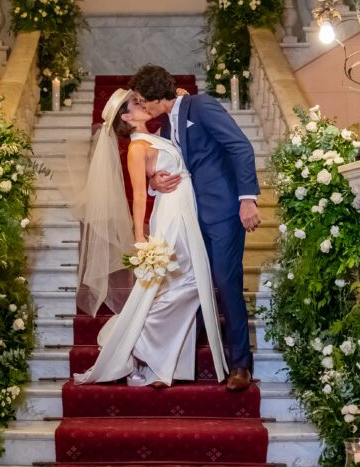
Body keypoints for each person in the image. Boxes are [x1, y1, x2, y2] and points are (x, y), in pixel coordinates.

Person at [73, 88, 227, 388]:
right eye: (134, 103)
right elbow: (139, 195)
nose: (141, 103)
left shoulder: (158, 134)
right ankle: (138, 344)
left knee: (181, 284)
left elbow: (169, 165)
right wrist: (140, 236)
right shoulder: (135, 148)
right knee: (191, 281)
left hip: (186, 209)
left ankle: (158, 363)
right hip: (172, 217)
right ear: (127, 118)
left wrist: (179, 94)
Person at [130, 65, 260, 392]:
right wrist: (154, 181)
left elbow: (240, 147)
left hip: (222, 212)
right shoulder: (165, 126)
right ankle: (172, 360)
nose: (142, 106)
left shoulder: (200, 107)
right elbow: (169, 166)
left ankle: (241, 365)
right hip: (189, 216)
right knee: (189, 284)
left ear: (160, 98)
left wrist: (247, 199)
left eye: (145, 101)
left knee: (226, 283)